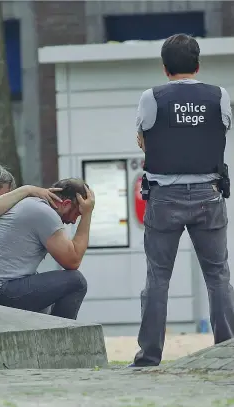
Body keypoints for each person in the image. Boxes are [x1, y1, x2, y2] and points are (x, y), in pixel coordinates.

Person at [130, 33, 234, 367]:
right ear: (198, 64)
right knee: (218, 277)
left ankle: (149, 357)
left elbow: (142, 138)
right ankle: (228, 351)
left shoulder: (152, 97)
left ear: (164, 68)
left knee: (157, 279)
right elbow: (221, 130)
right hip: (209, 194)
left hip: (164, 199)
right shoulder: (219, 95)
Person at [0, 178, 95, 320]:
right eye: (77, 214)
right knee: (76, 282)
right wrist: (87, 215)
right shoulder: (43, 212)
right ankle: (63, 340)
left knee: (47, 297)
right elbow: (72, 260)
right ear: (66, 204)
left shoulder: (30, 205)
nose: (74, 221)